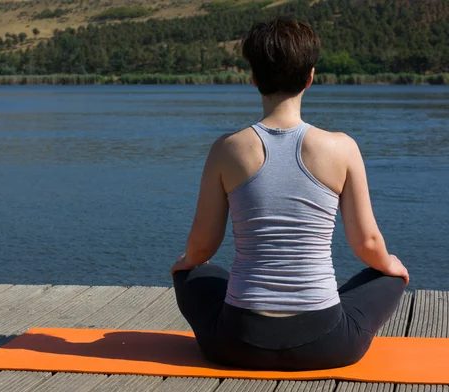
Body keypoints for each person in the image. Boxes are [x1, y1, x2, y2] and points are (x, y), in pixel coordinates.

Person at [171, 17, 409, 371]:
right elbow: (368, 244)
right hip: (327, 344)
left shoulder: (227, 149)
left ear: (252, 77)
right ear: (310, 77)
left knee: (195, 273)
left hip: (236, 342)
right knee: (387, 275)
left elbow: (202, 247)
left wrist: (184, 267)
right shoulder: (342, 148)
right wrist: (393, 268)